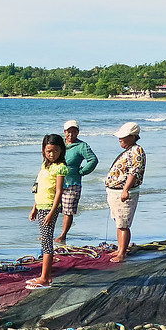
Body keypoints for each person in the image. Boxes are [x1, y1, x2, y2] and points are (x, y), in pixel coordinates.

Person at [27, 133, 68, 288]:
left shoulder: (60, 168)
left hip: (50, 208)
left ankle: (45, 278)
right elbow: (39, 188)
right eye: (48, 151)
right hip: (41, 206)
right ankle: (45, 276)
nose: (52, 154)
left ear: (61, 151)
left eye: (55, 151)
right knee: (45, 240)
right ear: (44, 150)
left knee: (46, 242)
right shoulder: (45, 165)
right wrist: (34, 207)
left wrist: (52, 212)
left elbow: (58, 191)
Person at [104, 122, 146, 263]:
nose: (120, 139)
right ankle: (120, 249)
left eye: (123, 137)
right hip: (115, 191)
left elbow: (133, 172)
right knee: (119, 222)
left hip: (124, 192)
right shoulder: (130, 150)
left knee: (123, 224)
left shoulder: (136, 151)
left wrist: (125, 190)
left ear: (133, 137)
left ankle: (122, 253)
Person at [55, 120, 99, 243]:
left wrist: (82, 172)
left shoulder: (82, 146)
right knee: (51, 209)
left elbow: (93, 160)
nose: (71, 135)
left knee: (68, 211)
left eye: (74, 132)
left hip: (72, 184)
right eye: (68, 132)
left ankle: (63, 235)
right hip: (56, 181)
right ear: (64, 132)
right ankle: (48, 234)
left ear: (78, 132)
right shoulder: (60, 144)